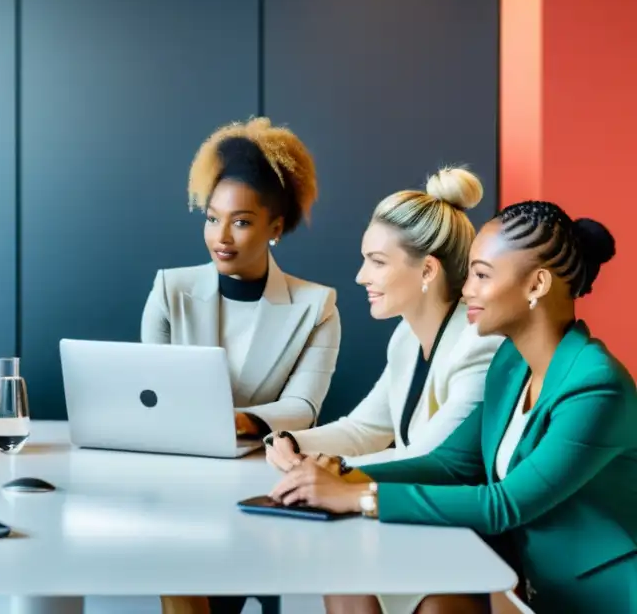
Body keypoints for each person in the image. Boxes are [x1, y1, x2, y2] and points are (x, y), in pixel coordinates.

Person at [268, 201, 635, 614]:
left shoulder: (595, 386)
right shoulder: (511, 364)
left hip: (598, 598)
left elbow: (506, 503)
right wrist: (342, 473)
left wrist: (359, 498)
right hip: (523, 581)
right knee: (366, 581)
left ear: (536, 286)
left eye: (482, 275)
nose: (466, 289)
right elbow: (451, 464)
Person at [265, 168, 504, 471]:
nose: (361, 277)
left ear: (428, 270)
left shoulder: (478, 344)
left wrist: (335, 472)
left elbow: (430, 461)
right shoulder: (407, 336)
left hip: (454, 516)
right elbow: (364, 430)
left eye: (377, 262)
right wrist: (291, 442)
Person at [142, 117, 340, 438]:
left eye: (241, 222)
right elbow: (150, 386)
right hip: (175, 452)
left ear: (275, 227)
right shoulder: (170, 291)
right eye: (212, 218)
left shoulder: (316, 308)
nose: (221, 237)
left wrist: (241, 421)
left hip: (261, 462)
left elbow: (303, 406)